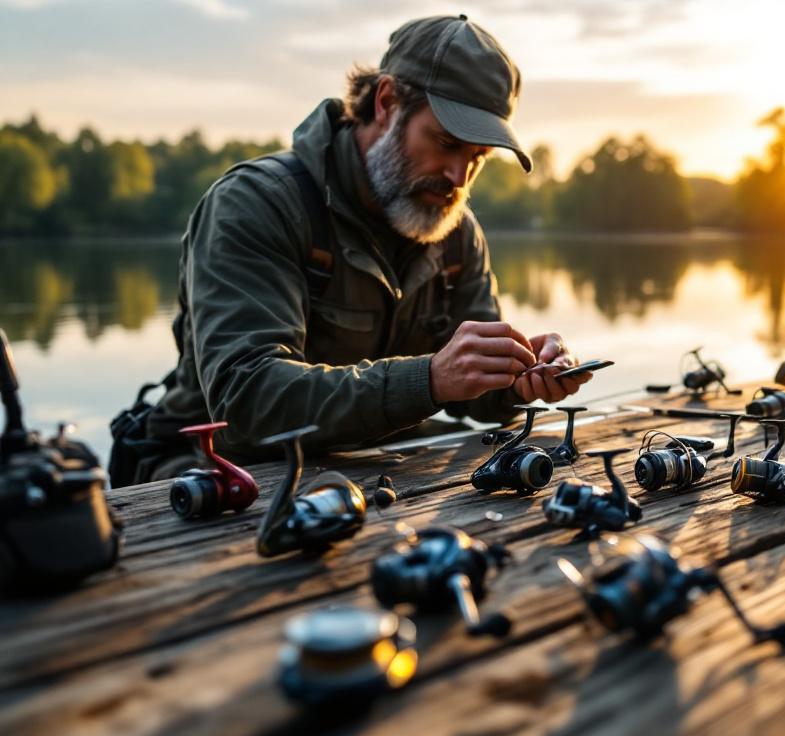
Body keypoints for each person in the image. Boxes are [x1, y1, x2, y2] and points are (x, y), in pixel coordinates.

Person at [110, 14, 590, 485]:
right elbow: (246, 403)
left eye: (477, 158)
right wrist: (430, 379)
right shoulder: (254, 204)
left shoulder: (456, 229)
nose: (458, 178)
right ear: (385, 102)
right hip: (217, 466)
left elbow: (474, 395)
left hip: (376, 460)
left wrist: (519, 375)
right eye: (445, 143)